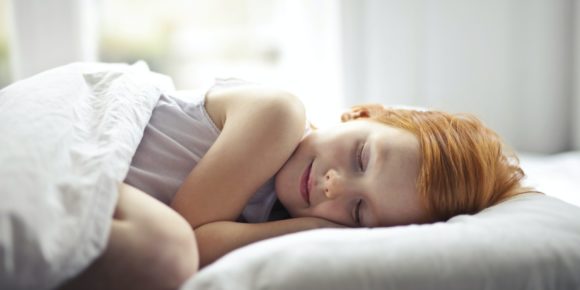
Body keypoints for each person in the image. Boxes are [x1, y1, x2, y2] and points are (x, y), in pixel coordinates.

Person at [59, 79, 529, 290]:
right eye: (361, 156)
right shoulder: (279, 116)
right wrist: (321, 228)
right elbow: (194, 236)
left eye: (359, 210)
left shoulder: (269, 214)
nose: (333, 186)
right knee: (166, 254)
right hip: (70, 137)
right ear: (360, 114)